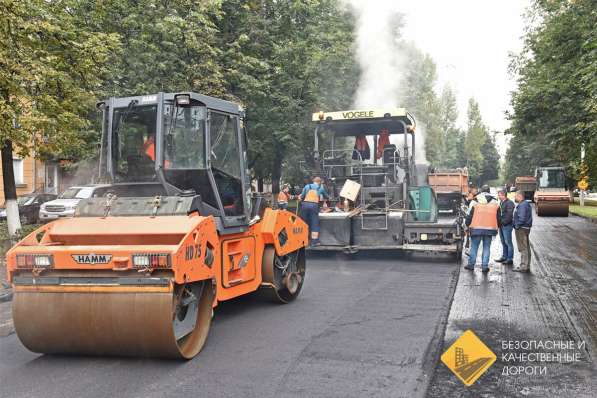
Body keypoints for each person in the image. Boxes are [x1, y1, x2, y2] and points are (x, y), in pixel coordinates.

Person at [465, 185, 499, 272]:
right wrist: (498, 226)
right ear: (489, 191)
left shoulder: (474, 201)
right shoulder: (495, 202)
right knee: (486, 248)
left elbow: (469, 215)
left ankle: (471, 265)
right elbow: (499, 217)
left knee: (474, 247)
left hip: (476, 228)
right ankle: (484, 267)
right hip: (490, 229)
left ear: (481, 191)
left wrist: (467, 224)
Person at [299, 176, 329, 247]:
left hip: (305, 205)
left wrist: (300, 197)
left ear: (313, 181)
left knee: (304, 223)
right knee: (314, 223)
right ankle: (314, 242)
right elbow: (327, 196)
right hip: (314, 206)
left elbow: (302, 196)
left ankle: (303, 241)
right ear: (319, 182)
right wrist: (325, 201)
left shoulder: (307, 186)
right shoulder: (320, 188)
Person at [513, 190, 533, 272]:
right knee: (526, 247)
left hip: (522, 228)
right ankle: (526, 266)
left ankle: (523, 266)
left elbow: (522, 218)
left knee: (523, 247)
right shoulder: (525, 204)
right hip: (525, 228)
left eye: (516, 195)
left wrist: (517, 226)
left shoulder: (522, 205)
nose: (515, 197)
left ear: (520, 196)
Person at [495, 189, 515, 265]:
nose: (498, 196)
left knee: (508, 242)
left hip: (507, 225)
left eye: (499, 195)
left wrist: (503, 222)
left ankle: (510, 259)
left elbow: (509, 215)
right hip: (501, 225)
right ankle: (504, 257)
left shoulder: (509, 203)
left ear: (503, 195)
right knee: (503, 242)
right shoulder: (501, 202)